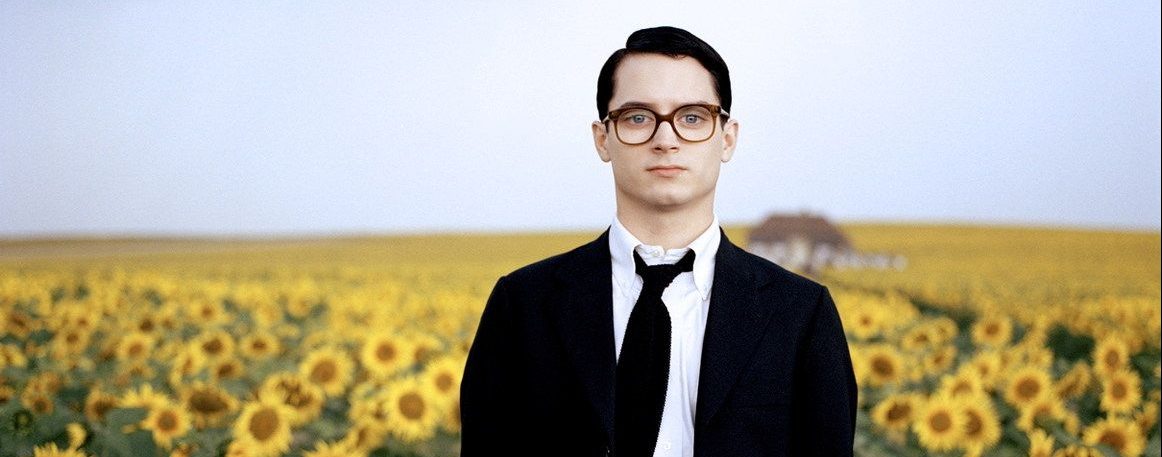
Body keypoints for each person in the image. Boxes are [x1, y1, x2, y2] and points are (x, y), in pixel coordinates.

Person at [461, 26, 856, 457]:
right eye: (637, 118)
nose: (665, 140)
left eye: (692, 118)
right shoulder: (522, 305)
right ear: (602, 139)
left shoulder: (801, 313)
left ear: (727, 138)